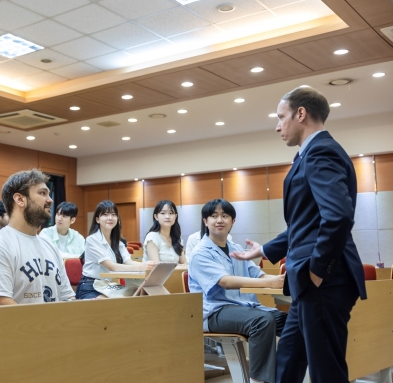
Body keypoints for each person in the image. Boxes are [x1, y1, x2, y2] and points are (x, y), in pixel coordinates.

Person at [231, 86, 366, 383]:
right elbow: (307, 223)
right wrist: (266, 249)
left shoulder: (321, 152)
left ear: (301, 114)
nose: (277, 126)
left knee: (325, 370)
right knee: (289, 359)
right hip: (308, 283)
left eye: (281, 117)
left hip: (322, 281)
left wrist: (317, 270)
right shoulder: (311, 154)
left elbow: (338, 217)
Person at [189, 199, 287, 383]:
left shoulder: (236, 249)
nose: (220, 220)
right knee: (262, 321)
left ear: (233, 221)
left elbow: (258, 276)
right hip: (215, 312)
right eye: (214, 216)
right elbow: (225, 282)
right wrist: (271, 283)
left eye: (225, 216)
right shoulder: (200, 252)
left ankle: (286, 374)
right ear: (205, 221)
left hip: (245, 307)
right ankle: (259, 380)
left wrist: (279, 281)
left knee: (293, 322)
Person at [0, 169, 75, 306]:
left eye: (49, 194)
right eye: (42, 193)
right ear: (20, 199)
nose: (50, 200)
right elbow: (0, 303)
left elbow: (67, 297)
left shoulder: (50, 246)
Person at [75, 200, 156, 299]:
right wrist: (141, 267)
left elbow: (128, 262)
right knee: (116, 305)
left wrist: (148, 266)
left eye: (113, 214)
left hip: (106, 286)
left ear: (117, 218)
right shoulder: (92, 240)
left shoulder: (119, 243)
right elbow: (112, 267)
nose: (110, 218)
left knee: (138, 293)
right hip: (89, 287)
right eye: (105, 214)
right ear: (97, 219)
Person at [143, 200, 185, 264]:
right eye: (163, 213)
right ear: (156, 217)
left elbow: (184, 264)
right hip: (157, 274)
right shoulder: (152, 237)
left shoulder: (177, 239)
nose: (167, 217)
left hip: (176, 274)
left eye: (171, 213)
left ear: (175, 217)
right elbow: (156, 266)